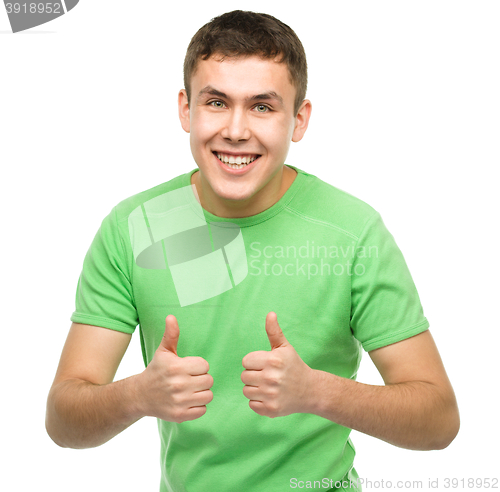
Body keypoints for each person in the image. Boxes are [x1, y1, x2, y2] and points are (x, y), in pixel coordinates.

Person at [45, 10, 460, 492]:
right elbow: (63, 420)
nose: (236, 130)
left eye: (262, 106)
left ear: (298, 119)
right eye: (217, 102)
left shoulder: (352, 231)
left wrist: (317, 392)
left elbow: (439, 420)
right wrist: (138, 394)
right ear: (186, 109)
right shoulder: (134, 227)